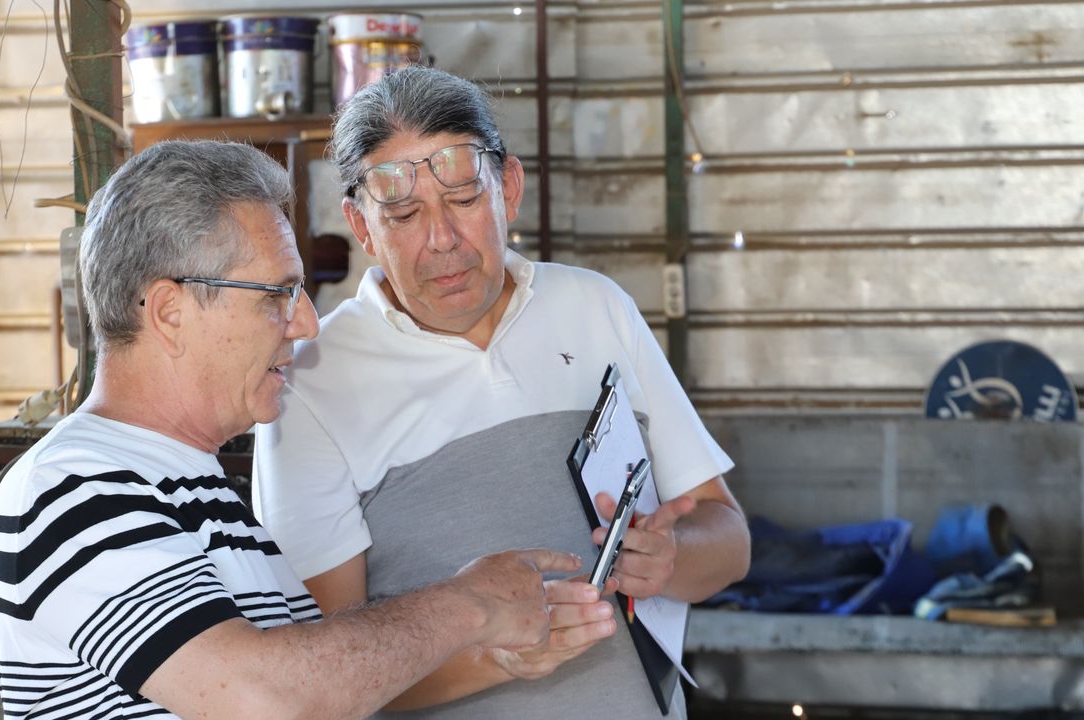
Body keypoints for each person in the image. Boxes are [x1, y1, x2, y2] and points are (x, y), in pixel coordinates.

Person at [0, 140, 586, 720]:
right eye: (276, 294)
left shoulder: (197, 488)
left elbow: (319, 686)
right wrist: (467, 606)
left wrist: (495, 657)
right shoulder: (74, 486)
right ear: (170, 313)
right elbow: (265, 700)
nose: (305, 323)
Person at [253, 66, 751, 718]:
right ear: (361, 225)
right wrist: (491, 657)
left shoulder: (595, 308)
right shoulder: (311, 382)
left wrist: (672, 557)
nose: (442, 241)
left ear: (508, 188)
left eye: (462, 200)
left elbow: (730, 541)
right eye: (403, 214)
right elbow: (317, 673)